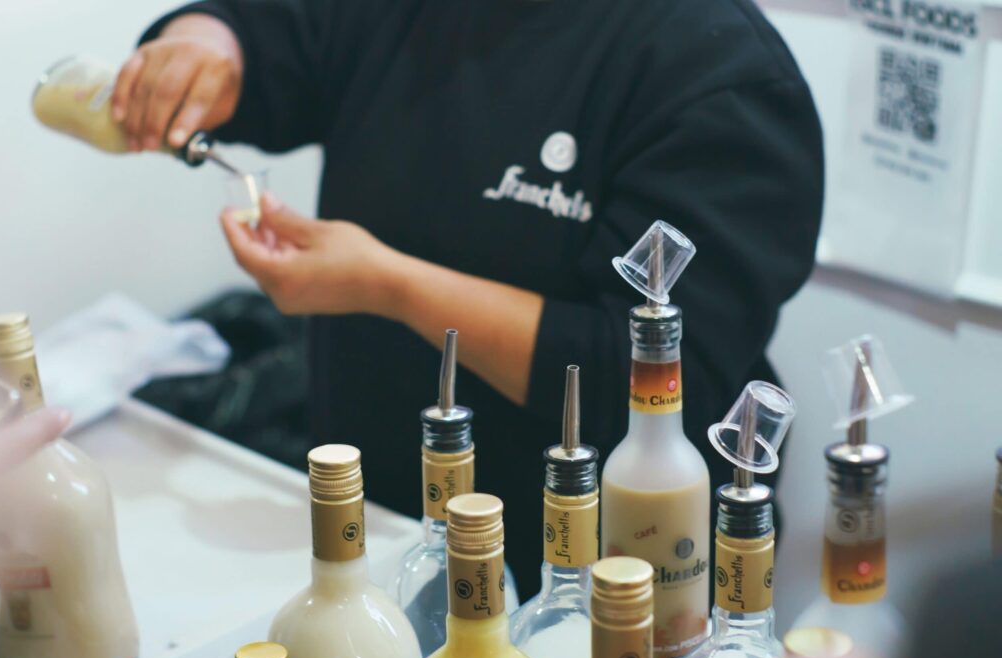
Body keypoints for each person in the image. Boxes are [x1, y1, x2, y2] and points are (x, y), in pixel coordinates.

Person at [115, 0, 824, 596]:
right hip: (392, 541)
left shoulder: (723, 76)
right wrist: (207, 43)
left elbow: (642, 380)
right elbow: (275, 36)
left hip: (603, 589)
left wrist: (389, 285)